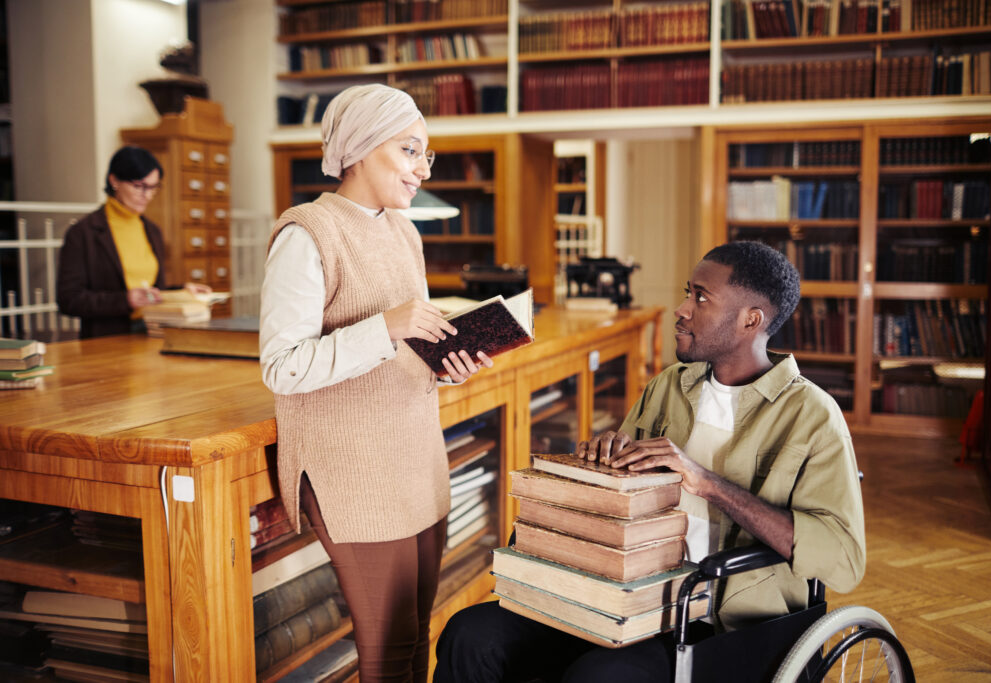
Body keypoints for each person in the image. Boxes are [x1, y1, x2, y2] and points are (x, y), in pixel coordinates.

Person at [433, 241, 866, 683]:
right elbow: (621, 496)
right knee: (470, 634)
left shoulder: (812, 415)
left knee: (602, 676)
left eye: (701, 297)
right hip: (626, 597)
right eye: (687, 292)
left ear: (750, 319)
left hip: (722, 622)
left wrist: (707, 483)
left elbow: (844, 560)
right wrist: (603, 462)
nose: (681, 309)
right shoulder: (667, 387)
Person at [259, 84, 493, 683]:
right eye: (410, 150)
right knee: (387, 651)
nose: (422, 169)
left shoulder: (403, 230)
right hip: (351, 467)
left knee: (417, 637)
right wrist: (385, 327)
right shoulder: (306, 232)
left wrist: (442, 363)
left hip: (415, 453)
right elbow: (282, 366)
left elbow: (398, 348)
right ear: (361, 148)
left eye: (427, 155)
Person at [56, 145, 210, 339]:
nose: (147, 195)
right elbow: (68, 299)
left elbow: (153, 291)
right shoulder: (83, 233)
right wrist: (125, 300)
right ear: (114, 181)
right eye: (139, 186)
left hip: (152, 332)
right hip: (108, 340)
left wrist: (181, 291)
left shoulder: (152, 231)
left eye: (153, 187)